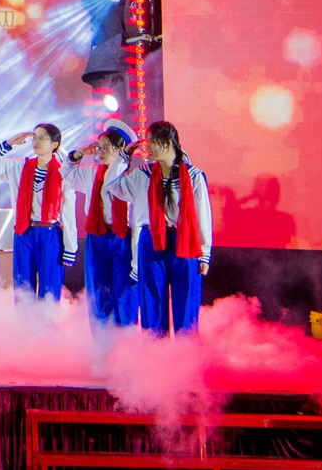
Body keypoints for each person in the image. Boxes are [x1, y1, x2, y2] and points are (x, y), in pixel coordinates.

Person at [111, 120, 212, 335]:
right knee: (151, 302)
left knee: (186, 304)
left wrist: (204, 254)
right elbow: (112, 185)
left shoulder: (193, 176)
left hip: (184, 241)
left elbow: (203, 216)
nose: (148, 147)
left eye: (152, 142)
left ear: (167, 143)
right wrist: (124, 157)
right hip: (151, 241)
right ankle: (155, 351)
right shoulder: (142, 174)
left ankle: (185, 352)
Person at [0, 124, 78, 301]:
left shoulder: (63, 172)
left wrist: (70, 247)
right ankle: (25, 320)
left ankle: (47, 319)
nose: (36, 141)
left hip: (50, 234)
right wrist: (9, 144)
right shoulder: (19, 167)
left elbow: (68, 211)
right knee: (22, 288)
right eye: (35, 137)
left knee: (49, 289)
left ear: (54, 144)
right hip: (24, 231)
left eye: (42, 138)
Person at [64, 122, 139, 326]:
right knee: (98, 291)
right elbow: (66, 176)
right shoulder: (91, 173)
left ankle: (127, 337)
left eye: (106, 147)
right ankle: (102, 338)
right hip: (97, 236)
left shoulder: (134, 176)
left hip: (123, 237)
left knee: (125, 292)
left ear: (121, 150)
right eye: (99, 147)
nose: (100, 152)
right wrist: (78, 154)